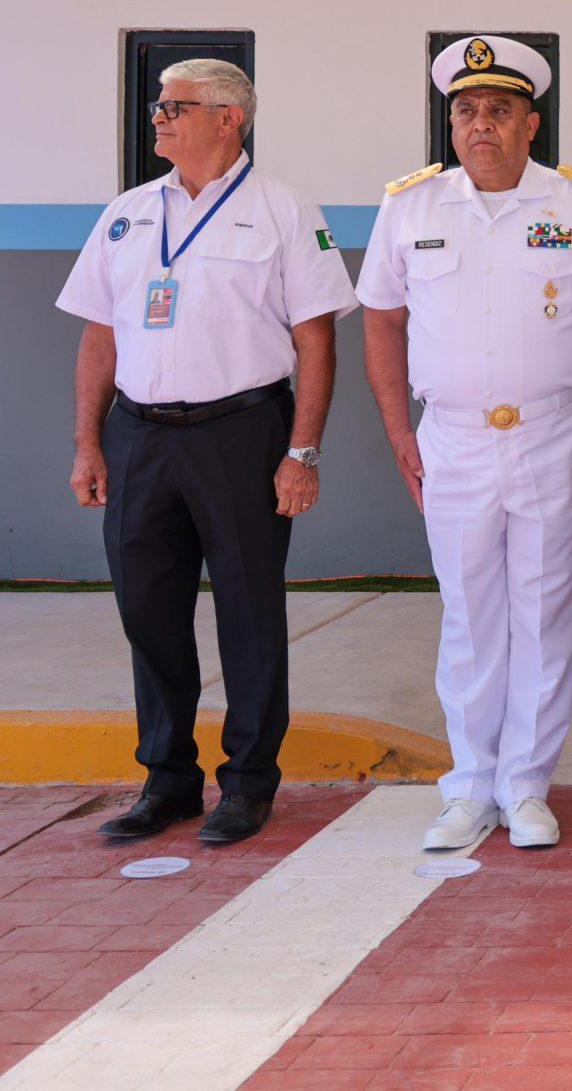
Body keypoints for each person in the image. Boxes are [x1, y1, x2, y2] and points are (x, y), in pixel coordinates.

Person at [60, 59, 356, 846]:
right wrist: (89, 441)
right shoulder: (126, 215)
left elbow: (316, 338)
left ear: (230, 117)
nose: (157, 116)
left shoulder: (283, 210)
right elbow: (99, 333)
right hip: (139, 434)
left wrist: (304, 452)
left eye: (175, 105)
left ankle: (249, 781)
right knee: (146, 606)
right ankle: (167, 778)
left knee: (250, 611)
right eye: (157, 104)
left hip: (241, 431)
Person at [357, 36, 572, 852]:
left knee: (543, 611)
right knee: (470, 615)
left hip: (554, 435)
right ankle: (470, 785)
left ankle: (527, 786)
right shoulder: (411, 207)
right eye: (466, 110)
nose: (482, 124)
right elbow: (381, 316)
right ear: (452, 124)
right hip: (453, 439)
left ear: (531, 123)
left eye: (500, 110)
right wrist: (399, 429)